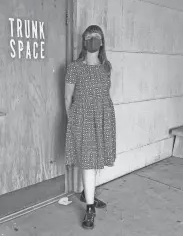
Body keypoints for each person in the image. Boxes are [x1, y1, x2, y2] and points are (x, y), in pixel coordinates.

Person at [64, 25, 116, 230]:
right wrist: (73, 121)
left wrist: (106, 116)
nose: (92, 39)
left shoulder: (107, 67)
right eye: (88, 37)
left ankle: (87, 192)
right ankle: (90, 207)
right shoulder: (74, 67)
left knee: (96, 160)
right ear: (84, 41)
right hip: (82, 118)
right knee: (87, 162)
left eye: (96, 37)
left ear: (101, 42)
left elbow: (107, 94)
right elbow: (68, 97)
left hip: (103, 117)